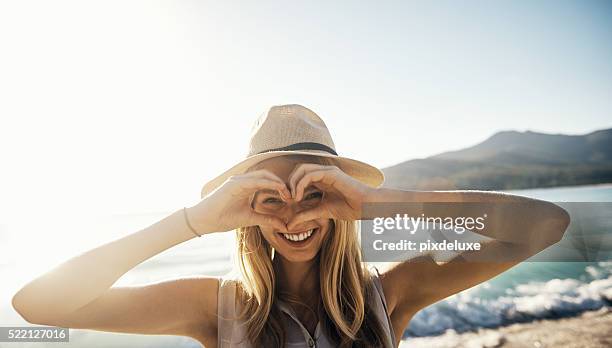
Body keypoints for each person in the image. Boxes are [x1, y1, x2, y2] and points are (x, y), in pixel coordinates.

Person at [12, 104, 571, 348]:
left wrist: (380, 204)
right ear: (244, 208)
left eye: (315, 192)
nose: (294, 214)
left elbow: (545, 225)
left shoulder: (391, 295)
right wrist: (191, 222)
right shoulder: (218, 309)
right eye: (269, 195)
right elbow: (41, 307)